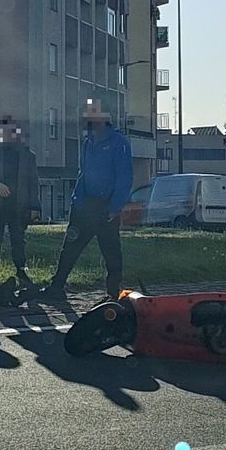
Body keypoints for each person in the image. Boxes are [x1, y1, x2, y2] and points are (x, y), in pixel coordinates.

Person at [45, 99, 134, 302]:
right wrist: (77, 200)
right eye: (87, 111)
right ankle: (57, 286)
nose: (88, 115)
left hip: (106, 206)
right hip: (84, 205)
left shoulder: (119, 143)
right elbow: (83, 173)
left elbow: (124, 177)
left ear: (106, 115)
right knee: (70, 246)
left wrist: (115, 206)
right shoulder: (88, 142)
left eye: (93, 110)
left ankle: (112, 293)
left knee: (111, 251)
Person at [0, 115, 42, 290]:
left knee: (18, 239)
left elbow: (33, 183)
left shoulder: (28, 156)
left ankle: (21, 270)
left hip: (18, 205)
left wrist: (34, 206)